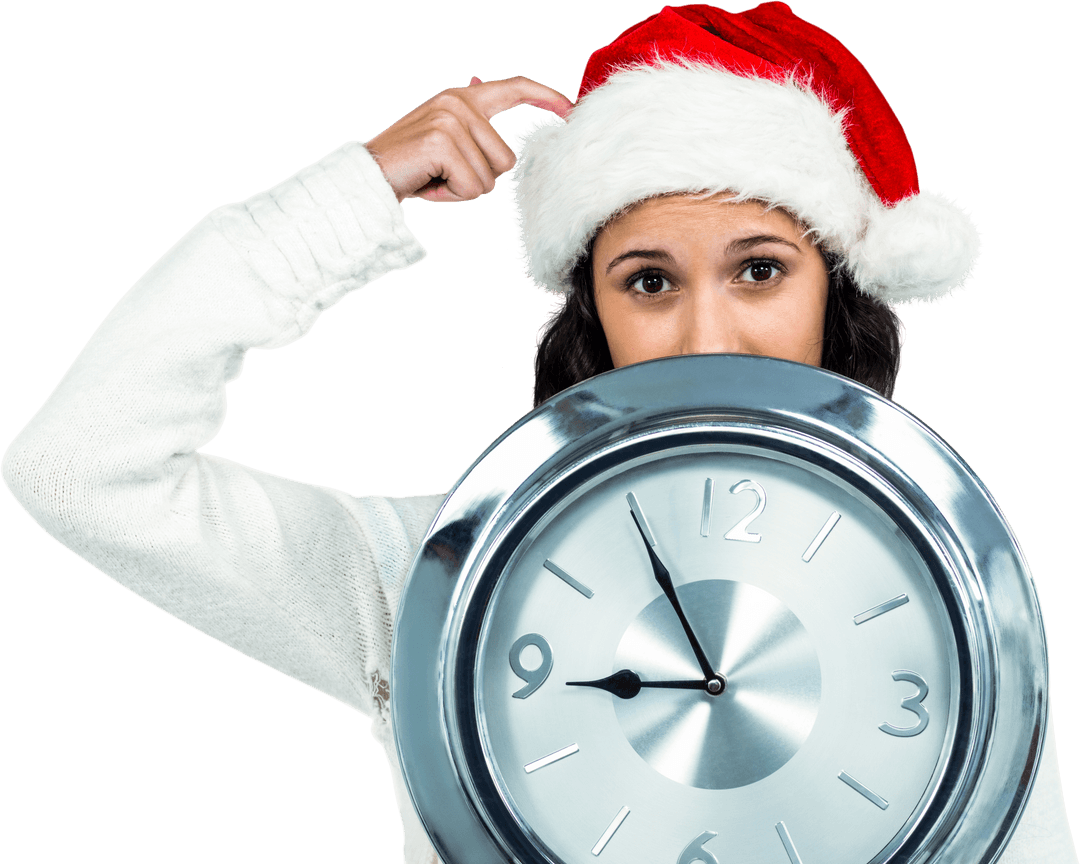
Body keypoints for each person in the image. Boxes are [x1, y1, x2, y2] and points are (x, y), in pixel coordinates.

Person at [1, 3, 1075, 863]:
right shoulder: (435, 576)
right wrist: (352, 198)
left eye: (760, 269)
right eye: (648, 280)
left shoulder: (950, 567)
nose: (706, 330)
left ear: (835, 292)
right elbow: (79, 468)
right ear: (590, 312)